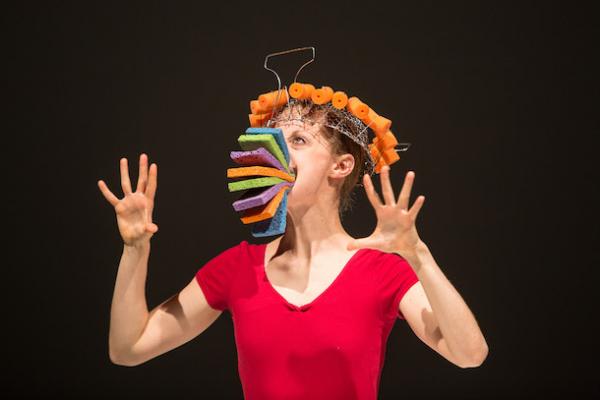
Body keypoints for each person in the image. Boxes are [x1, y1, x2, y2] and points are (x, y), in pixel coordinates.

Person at [97, 97, 488, 400]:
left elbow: (468, 354)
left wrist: (418, 255)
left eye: (298, 140)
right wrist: (135, 249)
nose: (277, 153)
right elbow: (128, 348)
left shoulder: (380, 270)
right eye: (272, 141)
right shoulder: (239, 268)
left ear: (341, 166)